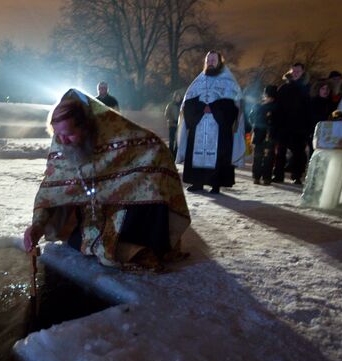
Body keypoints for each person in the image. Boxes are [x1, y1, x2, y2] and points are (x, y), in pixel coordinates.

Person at [23, 89, 190, 271]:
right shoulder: (62, 147)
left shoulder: (120, 139)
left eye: (69, 133)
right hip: (88, 215)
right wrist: (37, 226)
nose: (63, 141)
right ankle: (128, 249)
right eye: (57, 134)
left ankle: (140, 246)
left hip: (123, 210)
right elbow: (51, 192)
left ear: (86, 126)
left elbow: (155, 150)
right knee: (77, 239)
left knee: (104, 245)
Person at [175, 50, 246, 194]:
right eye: (208, 60)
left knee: (219, 154)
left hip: (219, 126)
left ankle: (216, 184)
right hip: (199, 124)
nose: (210, 62)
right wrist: (201, 108)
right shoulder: (198, 82)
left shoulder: (229, 82)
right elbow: (187, 103)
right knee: (196, 153)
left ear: (220, 62)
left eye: (214, 60)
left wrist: (213, 108)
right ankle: (197, 183)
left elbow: (233, 105)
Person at [272, 63, 311, 185]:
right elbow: (277, 107)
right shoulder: (283, 88)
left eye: (298, 71)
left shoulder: (306, 88)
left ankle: (297, 176)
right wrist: (275, 123)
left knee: (298, 152)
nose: (295, 73)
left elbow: (308, 108)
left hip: (299, 126)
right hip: (284, 124)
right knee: (281, 151)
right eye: (294, 71)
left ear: (302, 72)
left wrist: (307, 126)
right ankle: (278, 175)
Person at [249, 85, 278, 185]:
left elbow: (252, 118)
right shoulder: (260, 106)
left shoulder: (274, 107)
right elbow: (252, 118)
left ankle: (265, 177)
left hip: (268, 134)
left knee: (267, 157)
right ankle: (258, 177)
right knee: (260, 156)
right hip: (262, 134)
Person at [164, 90, 183, 156]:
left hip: (179, 125)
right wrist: (171, 120)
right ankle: (170, 153)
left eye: (179, 97)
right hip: (172, 125)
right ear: (174, 97)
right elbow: (167, 114)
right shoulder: (170, 105)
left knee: (178, 140)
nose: (178, 98)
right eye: (177, 97)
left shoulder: (182, 106)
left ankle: (175, 153)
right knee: (171, 140)